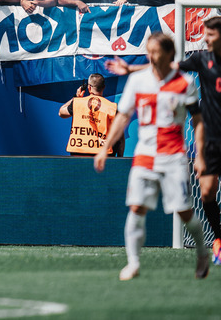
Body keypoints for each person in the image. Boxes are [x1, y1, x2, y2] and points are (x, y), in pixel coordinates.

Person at [94, 32, 209, 280]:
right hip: (144, 155)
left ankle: (202, 252)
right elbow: (123, 116)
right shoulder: (137, 81)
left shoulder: (184, 82)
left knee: (184, 211)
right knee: (136, 208)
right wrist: (104, 148)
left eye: (155, 51)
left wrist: (200, 154)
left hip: (173, 156)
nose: (151, 56)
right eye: (148, 51)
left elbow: (198, 121)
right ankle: (133, 263)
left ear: (169, 54)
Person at [59, 74, 122, 157]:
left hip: (78, 153)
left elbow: (61, 112)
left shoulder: (78, 103)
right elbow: (120, 136)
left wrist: (76, 97)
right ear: (103, 87)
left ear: (89, 88)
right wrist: (120, 158)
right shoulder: (112, 107)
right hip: (102, 156)